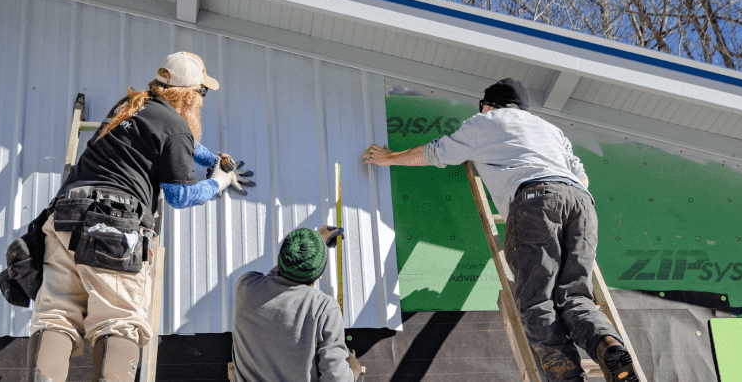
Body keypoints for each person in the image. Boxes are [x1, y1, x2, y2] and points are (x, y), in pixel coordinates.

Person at [361, 78, 637, 382]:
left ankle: (568, 378)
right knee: (576, 296)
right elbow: (581, 179)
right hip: (582, 204)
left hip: (535, 200)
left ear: (490, 105)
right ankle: (607, 343)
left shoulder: (487, 122)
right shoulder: (550, 130)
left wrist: (389, 158)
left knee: (537, 299)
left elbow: (437, 153)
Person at [25, 52, 255, 382]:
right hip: (114, 223)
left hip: (65, 215)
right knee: (118, 319)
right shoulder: (176, 128)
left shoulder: (129, 106)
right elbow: (180, 195)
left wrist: (212, 158)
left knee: (56, 314)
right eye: (202, 94)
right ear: (189, 94)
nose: (202, 102)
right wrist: (218, 182)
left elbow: (179, 144)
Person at [231, 227, 365, 382]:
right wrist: (353, 371)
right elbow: (336, 379)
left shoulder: (246, 286)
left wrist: (315, 243)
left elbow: (274, 277)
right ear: (319, 274)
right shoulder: (324, 308)